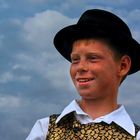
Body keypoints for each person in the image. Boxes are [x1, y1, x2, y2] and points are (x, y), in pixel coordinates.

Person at [26, 9, 140, 140]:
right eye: (75, 60)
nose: (80, 67)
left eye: (92, 58)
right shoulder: (44, 130)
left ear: (123, 66)